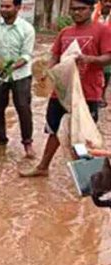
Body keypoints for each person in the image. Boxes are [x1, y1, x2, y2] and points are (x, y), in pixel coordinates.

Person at [20, 0, 111, 178]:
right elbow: (55, 55)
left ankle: (87, 176)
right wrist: (49, 72)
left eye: (81, 9)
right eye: (74, 10)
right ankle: (43, 166)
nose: (77, 13)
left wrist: (90, 59)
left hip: (87, 93)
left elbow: (108, 57)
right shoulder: (65, 32)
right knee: (53, 129)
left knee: (82, 133)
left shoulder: (102, 30)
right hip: (61, 91)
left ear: (91, 9)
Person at [0, 0, 35, 158]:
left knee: (23, 108)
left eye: (7, 6)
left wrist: (10, 67)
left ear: (18, 8)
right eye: (2, 6)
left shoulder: (27, 29)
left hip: (21, 75)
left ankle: (27, 144)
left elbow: (26, 55)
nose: (3, 10)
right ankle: (1, 141)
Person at [93, 0, 111, 106]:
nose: (108, 4)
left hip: (108, 45)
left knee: (107, 72)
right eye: (106, 1)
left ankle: (102, 95)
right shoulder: (93, 10)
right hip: (94, 44)